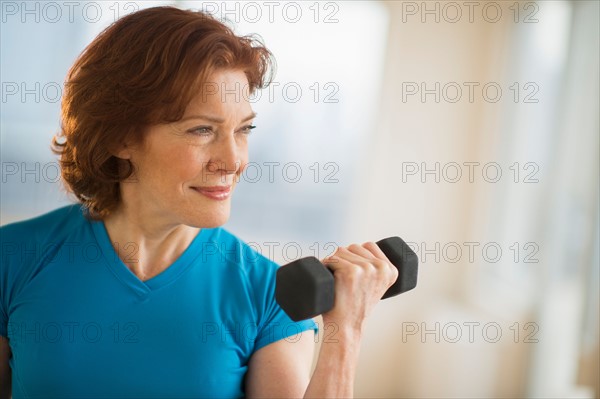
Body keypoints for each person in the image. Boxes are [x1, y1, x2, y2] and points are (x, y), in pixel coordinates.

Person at [0, 6, 397, 398]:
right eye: (202, 130)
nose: (233, 161)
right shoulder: (15, 258)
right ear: (119, 138)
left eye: (244, 129)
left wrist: (345, 331)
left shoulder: (266, 294)